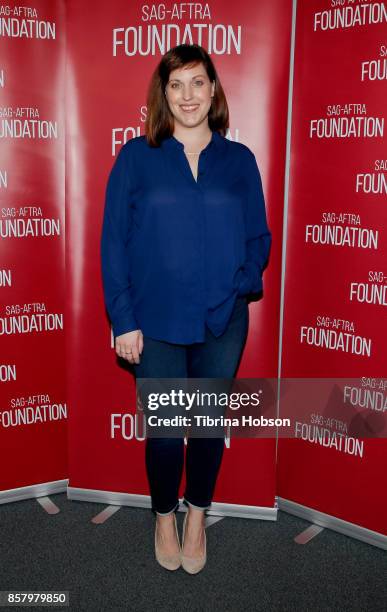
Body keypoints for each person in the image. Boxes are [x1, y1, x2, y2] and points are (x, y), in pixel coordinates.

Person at [101, 44, 271, 574]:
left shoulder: (239, 161)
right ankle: (162, 514)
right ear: (163, 94)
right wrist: (123, 319)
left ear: (214, 90)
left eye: (198, 83)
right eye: (176, 85)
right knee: (167, 434)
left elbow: (258, 238)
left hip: (222, 323)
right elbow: (113, 243)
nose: (188, 95)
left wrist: (237, 285)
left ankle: (197, 514)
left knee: (205, 427)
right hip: (155, 325)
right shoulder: (135, 157)